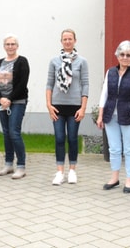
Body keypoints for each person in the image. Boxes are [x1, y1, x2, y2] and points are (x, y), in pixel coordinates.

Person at [96, 40, 130, 193]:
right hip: (111, 115)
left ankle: (129, 179)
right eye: (122, 54)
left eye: (128, 55)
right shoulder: (110, 72)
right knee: (114, 149)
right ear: (117, 55)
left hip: (129, 115)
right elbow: (104, 94)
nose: (125, 57)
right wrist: (100, 115)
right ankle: (115, 177)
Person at [46, 29, 89, 185]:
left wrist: (83, 108)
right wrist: (49, 105)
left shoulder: (82, 61)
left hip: (75, 107)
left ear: (75, 41)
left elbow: (85, 85)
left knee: (72, 138)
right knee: (59, 138)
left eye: (70, 39)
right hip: (57, 106)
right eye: (65, 39)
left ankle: (72, 170)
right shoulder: (54, 61)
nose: (67, 41)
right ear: (61, 41)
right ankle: (59, 172)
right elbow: (49, 84)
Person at [0, 34, 30, 179]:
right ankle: (8, 164)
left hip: (17, 101)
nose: (10, 46)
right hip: (1, 102)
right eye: (7, 44)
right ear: (4, 46)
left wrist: (10, 98)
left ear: (17, 46)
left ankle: (21, 166)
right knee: (6, 132)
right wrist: (0, 98)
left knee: (14, 132)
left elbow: (22, 83)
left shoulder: (22, 61)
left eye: (13, 44)